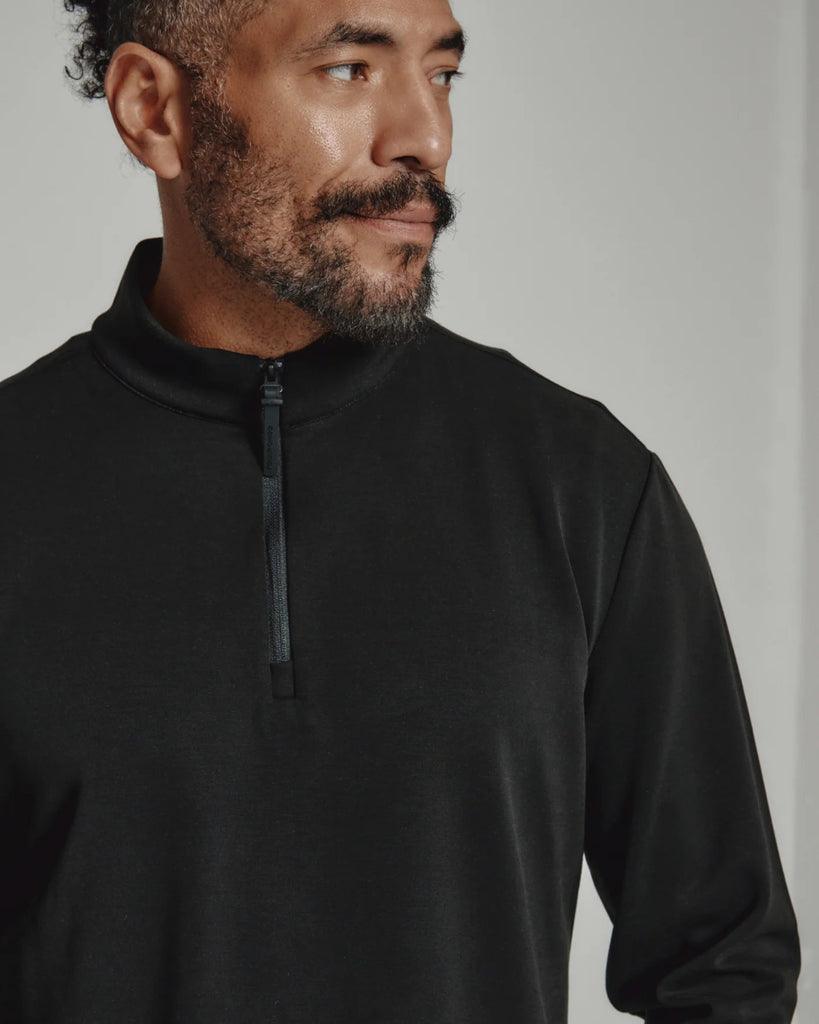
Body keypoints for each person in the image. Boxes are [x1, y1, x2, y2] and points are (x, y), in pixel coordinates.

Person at [0, 0, 801, 1021]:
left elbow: (723, 965)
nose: (426, 135)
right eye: (349, 69)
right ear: (154, 110)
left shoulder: (581, 483)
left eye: (443, 74)